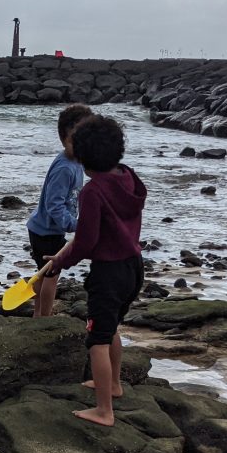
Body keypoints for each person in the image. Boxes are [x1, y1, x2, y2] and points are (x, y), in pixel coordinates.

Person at [46, 114, 146, 427]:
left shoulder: (93, 192)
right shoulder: (128, 177)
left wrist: (58, 263)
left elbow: (87, 243)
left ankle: (104, 410)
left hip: (109, 273)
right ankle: (113, 385)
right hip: (133, 267)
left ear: (83, 158)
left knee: (96, 341)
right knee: (110, 326)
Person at [26, 104, 93, 316]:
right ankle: (43, 317)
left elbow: (75, 196)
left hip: (46, 230)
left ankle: (38, 314)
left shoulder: (76, 162)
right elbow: (53, 205)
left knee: (43, 273)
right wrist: (74, 225)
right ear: (66, 137)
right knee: (51, 276)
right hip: (46, 232)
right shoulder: (64, 168)